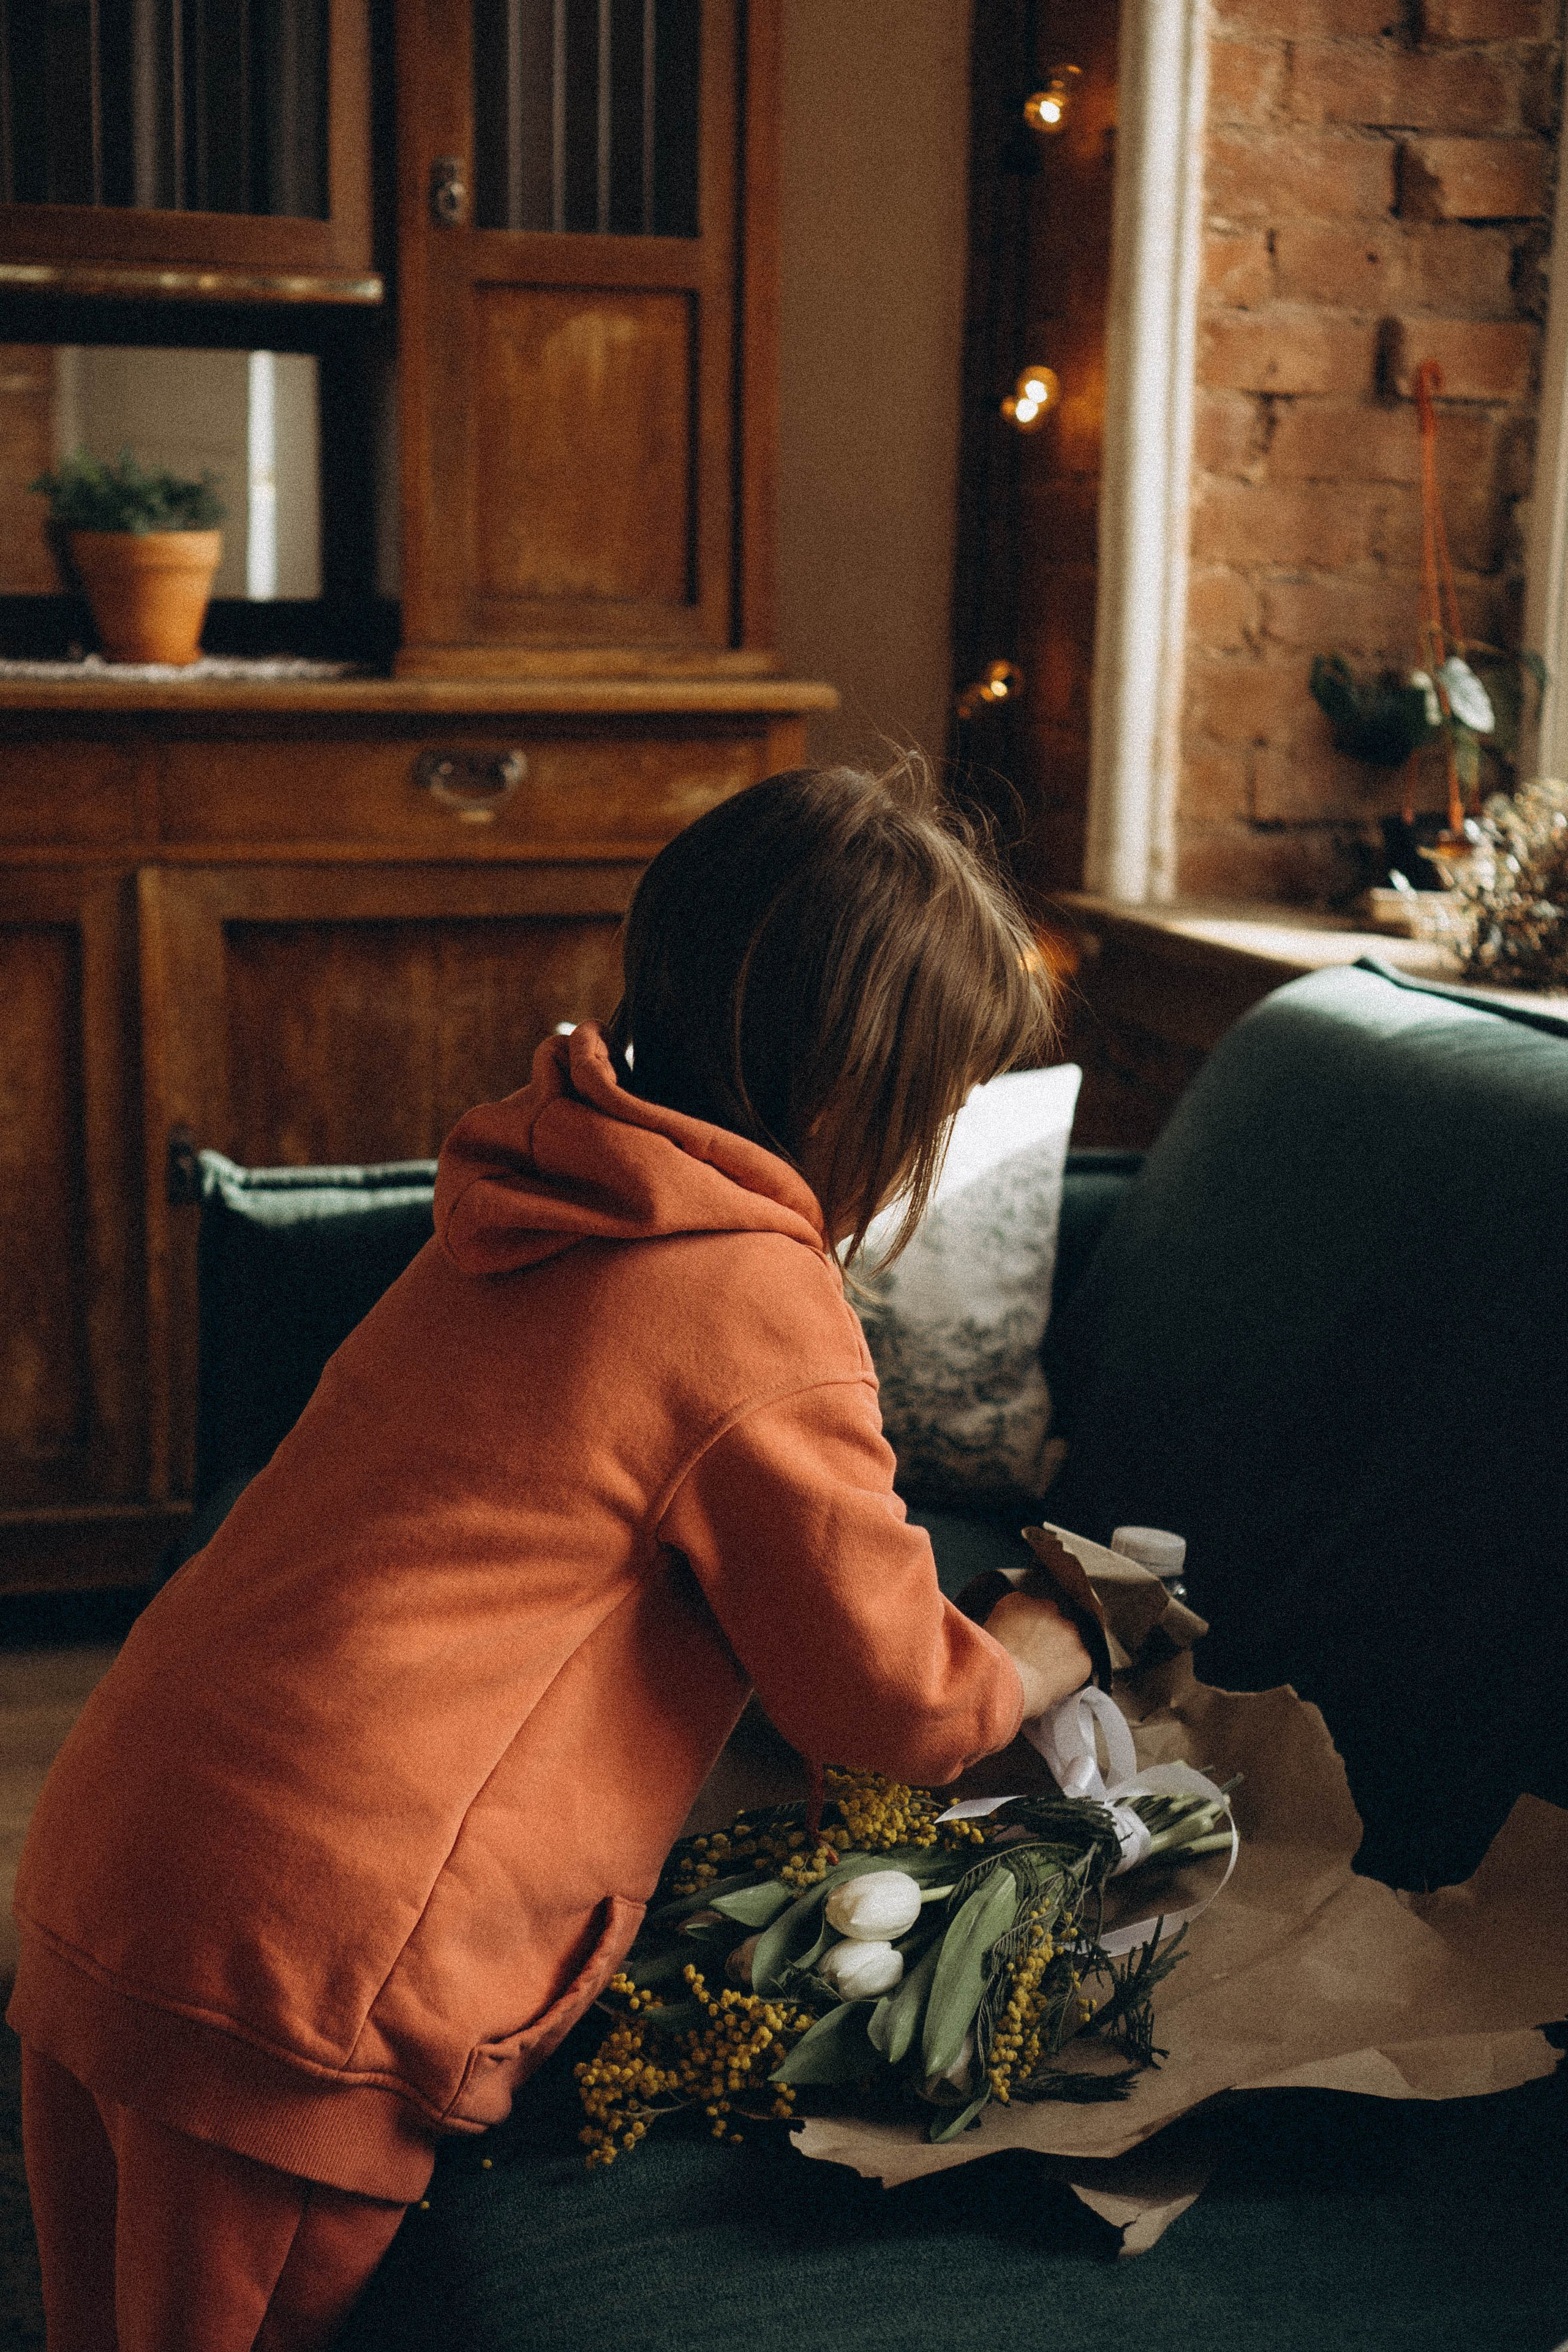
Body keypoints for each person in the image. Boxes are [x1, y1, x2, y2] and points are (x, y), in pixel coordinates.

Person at [10, 760, 1096, 2350]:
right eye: (936, 1105)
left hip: (120, 1850)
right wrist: (1044, 1639)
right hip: (302, 1967)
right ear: (843, 1102)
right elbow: (889, 1708)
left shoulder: (539, 1185)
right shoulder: (751, 1310)